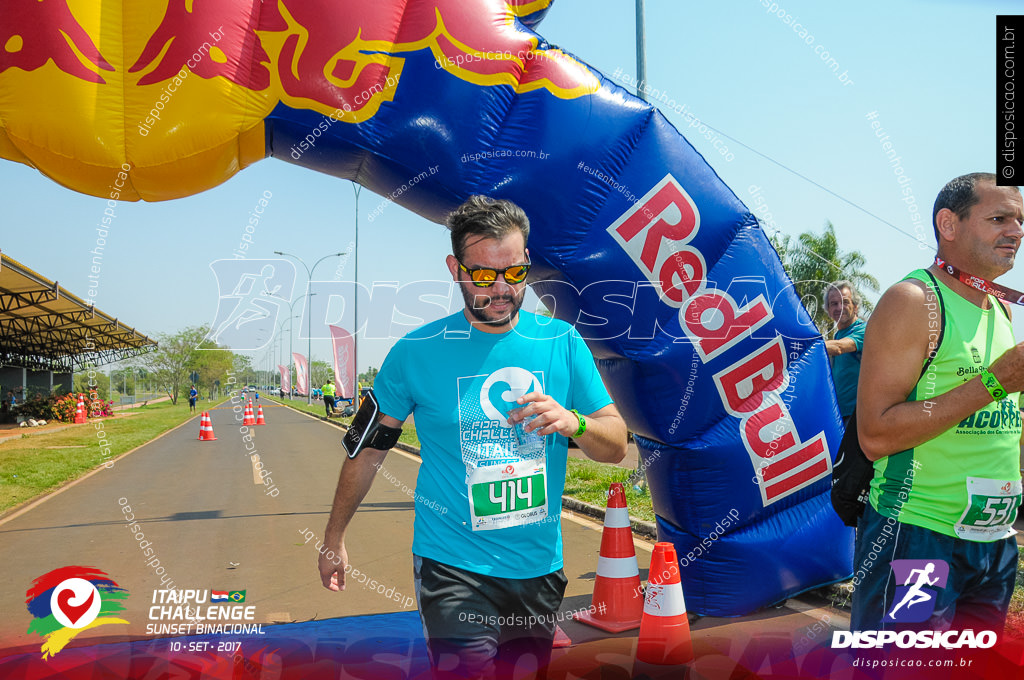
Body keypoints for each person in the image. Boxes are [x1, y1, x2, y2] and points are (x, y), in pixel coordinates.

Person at [318, 195, 628, 679]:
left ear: (527, 263)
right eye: (483, 275)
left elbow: (617, 443)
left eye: (514, 273)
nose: (501, 289)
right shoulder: (414, 353)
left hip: (538, 568)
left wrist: (576, 422)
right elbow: (368, 453)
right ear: (455, 269)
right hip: (452, 565)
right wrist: (333, 537)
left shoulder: (562, 342)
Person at [854, 173, 1024, 633]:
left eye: (1020, 221)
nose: (1016, 231)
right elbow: (875, 434)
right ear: (948, 224)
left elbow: (1000, 417)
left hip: (994, 544)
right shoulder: (914, 301)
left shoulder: (1002, 308)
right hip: (919, 534)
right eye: (999, 218)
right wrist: (996, 380)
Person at [823, 280, 866, 423]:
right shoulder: (838, 334)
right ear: (828, 310)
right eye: (834, 303)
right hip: (839, 416)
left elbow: (840, 347)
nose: (839, 307)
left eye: (845, 302)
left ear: (855, 307)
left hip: (857, 416)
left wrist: (806, 346)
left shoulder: (863, 329)